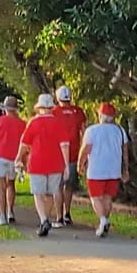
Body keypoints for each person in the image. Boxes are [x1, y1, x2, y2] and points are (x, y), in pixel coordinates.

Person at [14, 93, 71, 237]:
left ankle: (43, 219)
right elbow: (64, 145)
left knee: (38, 193)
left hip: (37, 163)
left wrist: (18, 157)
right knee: (50, 193)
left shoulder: (33, 122)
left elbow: (24, 143)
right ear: (52, 107)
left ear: (39, 107)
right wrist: (66, 165)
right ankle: (46, 218)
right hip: (55, 164)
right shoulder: (58, 123)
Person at [78, 102, 130, 237]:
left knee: (95, 197)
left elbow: (85, 150)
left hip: (96, 170)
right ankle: (104, 223)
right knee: (108, 197)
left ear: (100, 115)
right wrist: (126, 169)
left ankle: (103, 220)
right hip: (114, 170)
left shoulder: (92, 131)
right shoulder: (120, 131)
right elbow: (125, 151)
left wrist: (80, 164)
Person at [0, 96, 27, 225]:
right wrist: (24, 160)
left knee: (1, 186)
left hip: (0, 156)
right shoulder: (22, 124)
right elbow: (25, 144)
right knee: (11, 184)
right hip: (14, 157)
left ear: (5, 108)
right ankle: (10, 212)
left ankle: (2, 215)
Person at [51, 85, 87, 227]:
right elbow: (84, 132)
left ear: (57, 98)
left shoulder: (53, 112)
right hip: (73, 153)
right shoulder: (78, 112)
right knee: (69, 185)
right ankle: (67, 213)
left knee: (57, 186)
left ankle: (59, 216)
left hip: (57, 154)